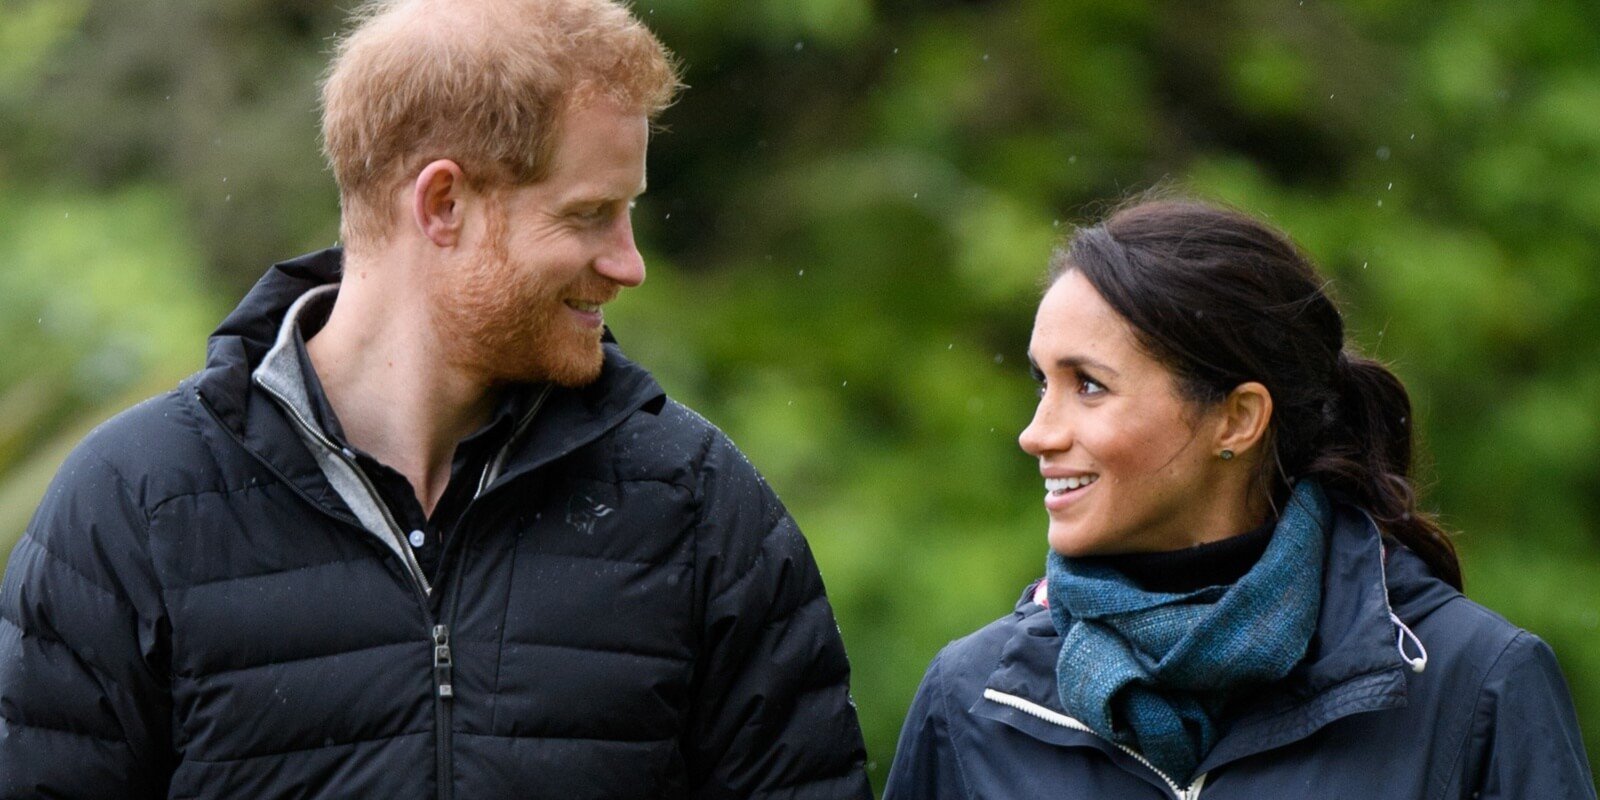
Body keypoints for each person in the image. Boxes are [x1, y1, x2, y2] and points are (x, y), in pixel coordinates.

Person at [0, 0, 871, 797]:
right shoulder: (132, 510)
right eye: (589, 214)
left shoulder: (700, 509)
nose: (628, 263)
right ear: (444, 201)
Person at [884, 199, 1596, 799]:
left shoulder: (1475, 686)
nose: (1036, 434)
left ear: (1238, 419)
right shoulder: (971, 702)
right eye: (1043, 383)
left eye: (1089, 386)